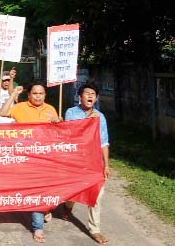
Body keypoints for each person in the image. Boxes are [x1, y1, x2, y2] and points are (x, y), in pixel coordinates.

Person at [0, 81, 62, 243]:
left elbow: (59, 133)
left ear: (45, 95)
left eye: (41, 93)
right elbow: (3, 112)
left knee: (47, 189)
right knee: (36, 190)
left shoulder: (50, 109)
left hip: (47, 158)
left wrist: (58, 122)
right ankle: (38, 227)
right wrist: (13, 95)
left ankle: (45, 208)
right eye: (35, 93)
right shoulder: (20, 107)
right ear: (29, 95)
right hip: (28, 159)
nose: (38, 96)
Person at [63, 83, 110, 245]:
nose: (90, 96)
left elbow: (104, 142)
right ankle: (68, 206)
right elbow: (71, 134)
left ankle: (94, 229)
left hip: (94, 162)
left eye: (93, 94)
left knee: (97, 195)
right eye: (87, 93)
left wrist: (107, 165)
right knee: (74, 192)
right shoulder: (71, 112)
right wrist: (87, 122)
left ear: (96, 98)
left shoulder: (100, 117)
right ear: (80, 97)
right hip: (76, 161)